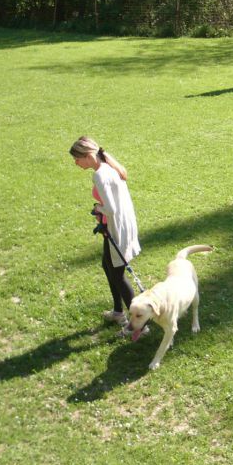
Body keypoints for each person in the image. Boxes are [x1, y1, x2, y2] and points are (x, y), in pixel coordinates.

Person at [69, 136, 143, 333]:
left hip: (116, 228)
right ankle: (118, 312)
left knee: (118, 275)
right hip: (119, 225)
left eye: (77, 159)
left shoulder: (100, 175)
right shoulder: (109, 168)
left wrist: (97, 208)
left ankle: (139, 325)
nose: (76, 163)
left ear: (87, 156)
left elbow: (109, 208)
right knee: (107, 265)